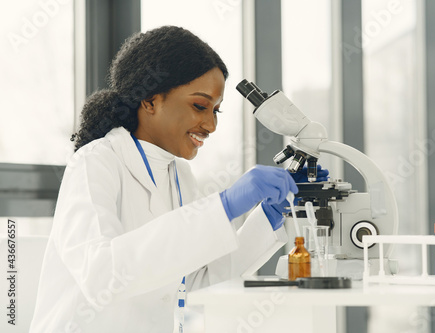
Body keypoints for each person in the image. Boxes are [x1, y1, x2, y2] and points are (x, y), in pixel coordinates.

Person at [29, 26, 327, 333]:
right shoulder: (96, 163)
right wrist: (222, 206)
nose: (210, 125)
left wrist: (266, 216)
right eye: (199, 106)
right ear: (150, 100)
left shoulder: (180, 175)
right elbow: (101, 277)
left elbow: (192, 279)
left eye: (216, 111)